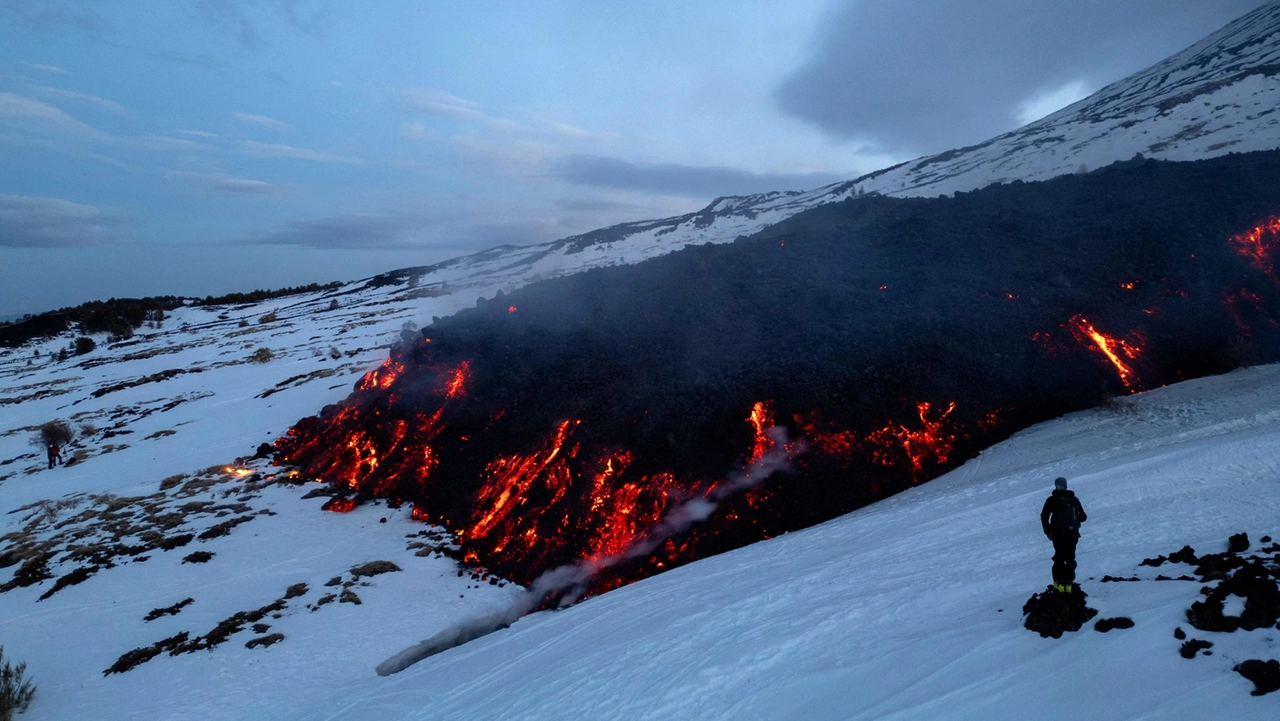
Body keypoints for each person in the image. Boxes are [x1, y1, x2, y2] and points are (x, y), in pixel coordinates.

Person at [1041, 476, 1086, 592]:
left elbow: (1044, 516)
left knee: (1059, 557)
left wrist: (1048, 531)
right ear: (1066, 485)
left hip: (1058, 533)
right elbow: (1083, 517)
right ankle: (1068, 583)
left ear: (1056, 485)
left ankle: (1058, 583)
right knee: (1070, 557)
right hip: (1073, 534)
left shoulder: (1052, 500)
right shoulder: (1074, 499)